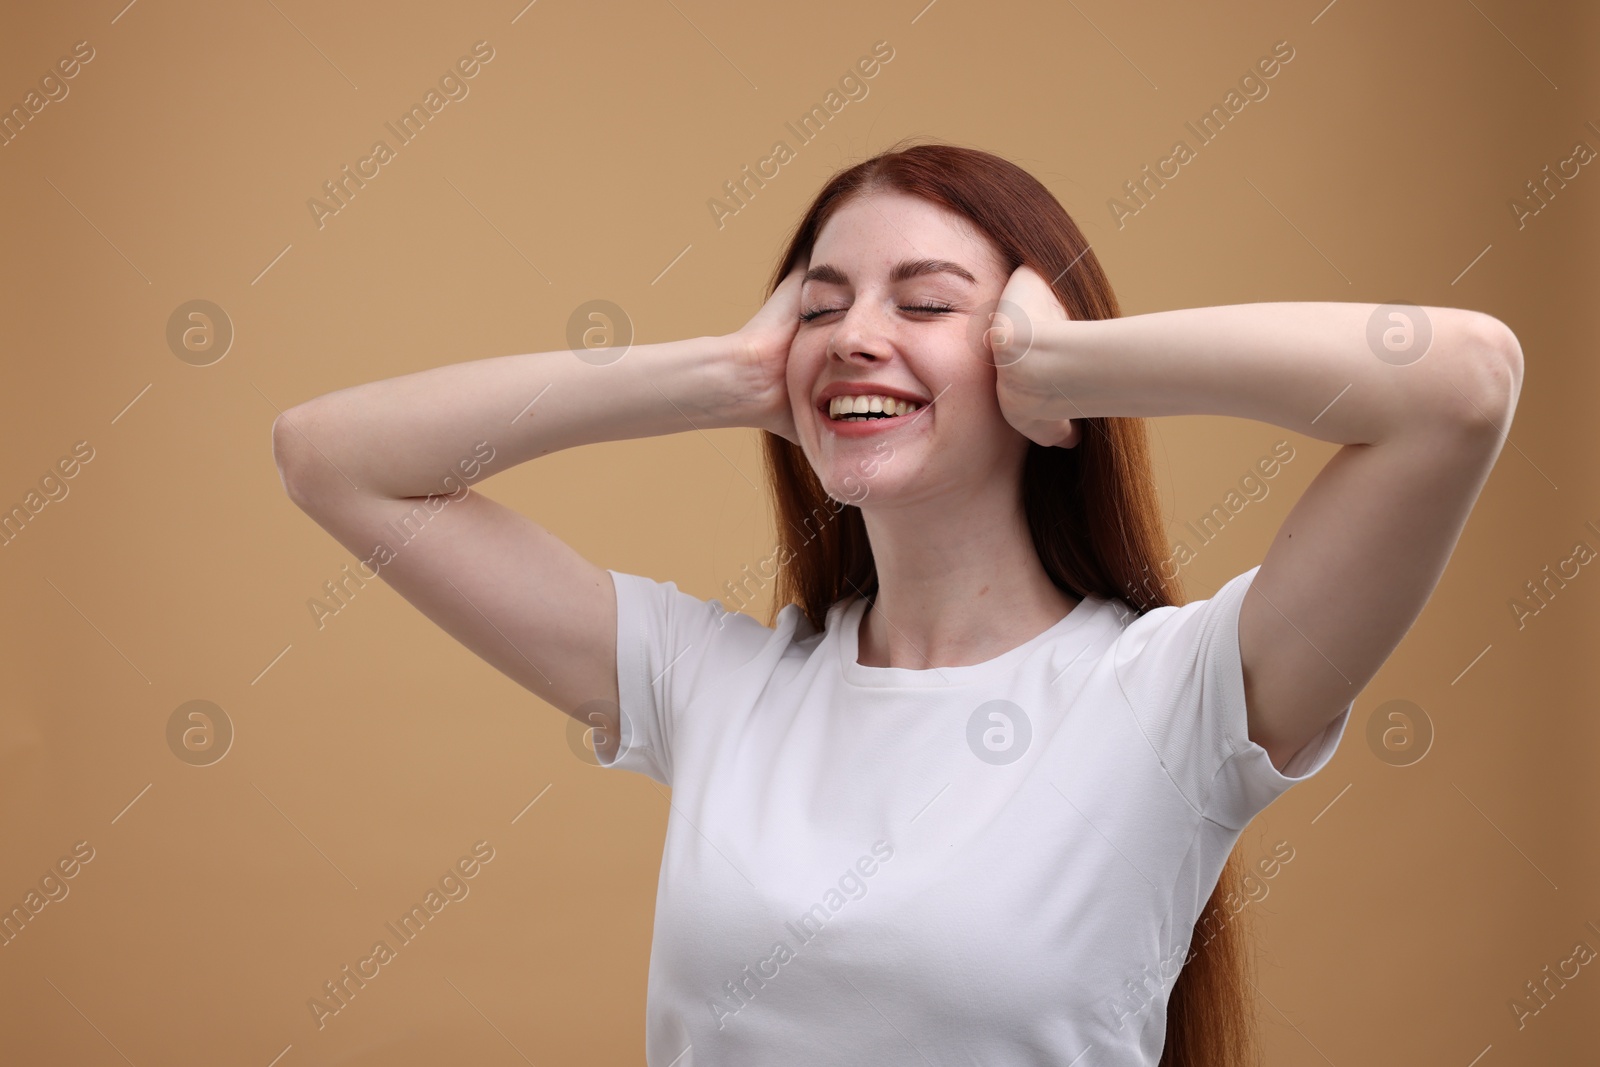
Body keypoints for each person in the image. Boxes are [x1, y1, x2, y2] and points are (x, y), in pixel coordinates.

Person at [271, 139, 1523, 1066]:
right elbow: (332, 456)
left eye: (924, 304)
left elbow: (1460, 384)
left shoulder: (1178, 695)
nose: (855, 336)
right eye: (820, 307)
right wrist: (717, 372)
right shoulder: (716, 687)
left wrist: (1077, 362)